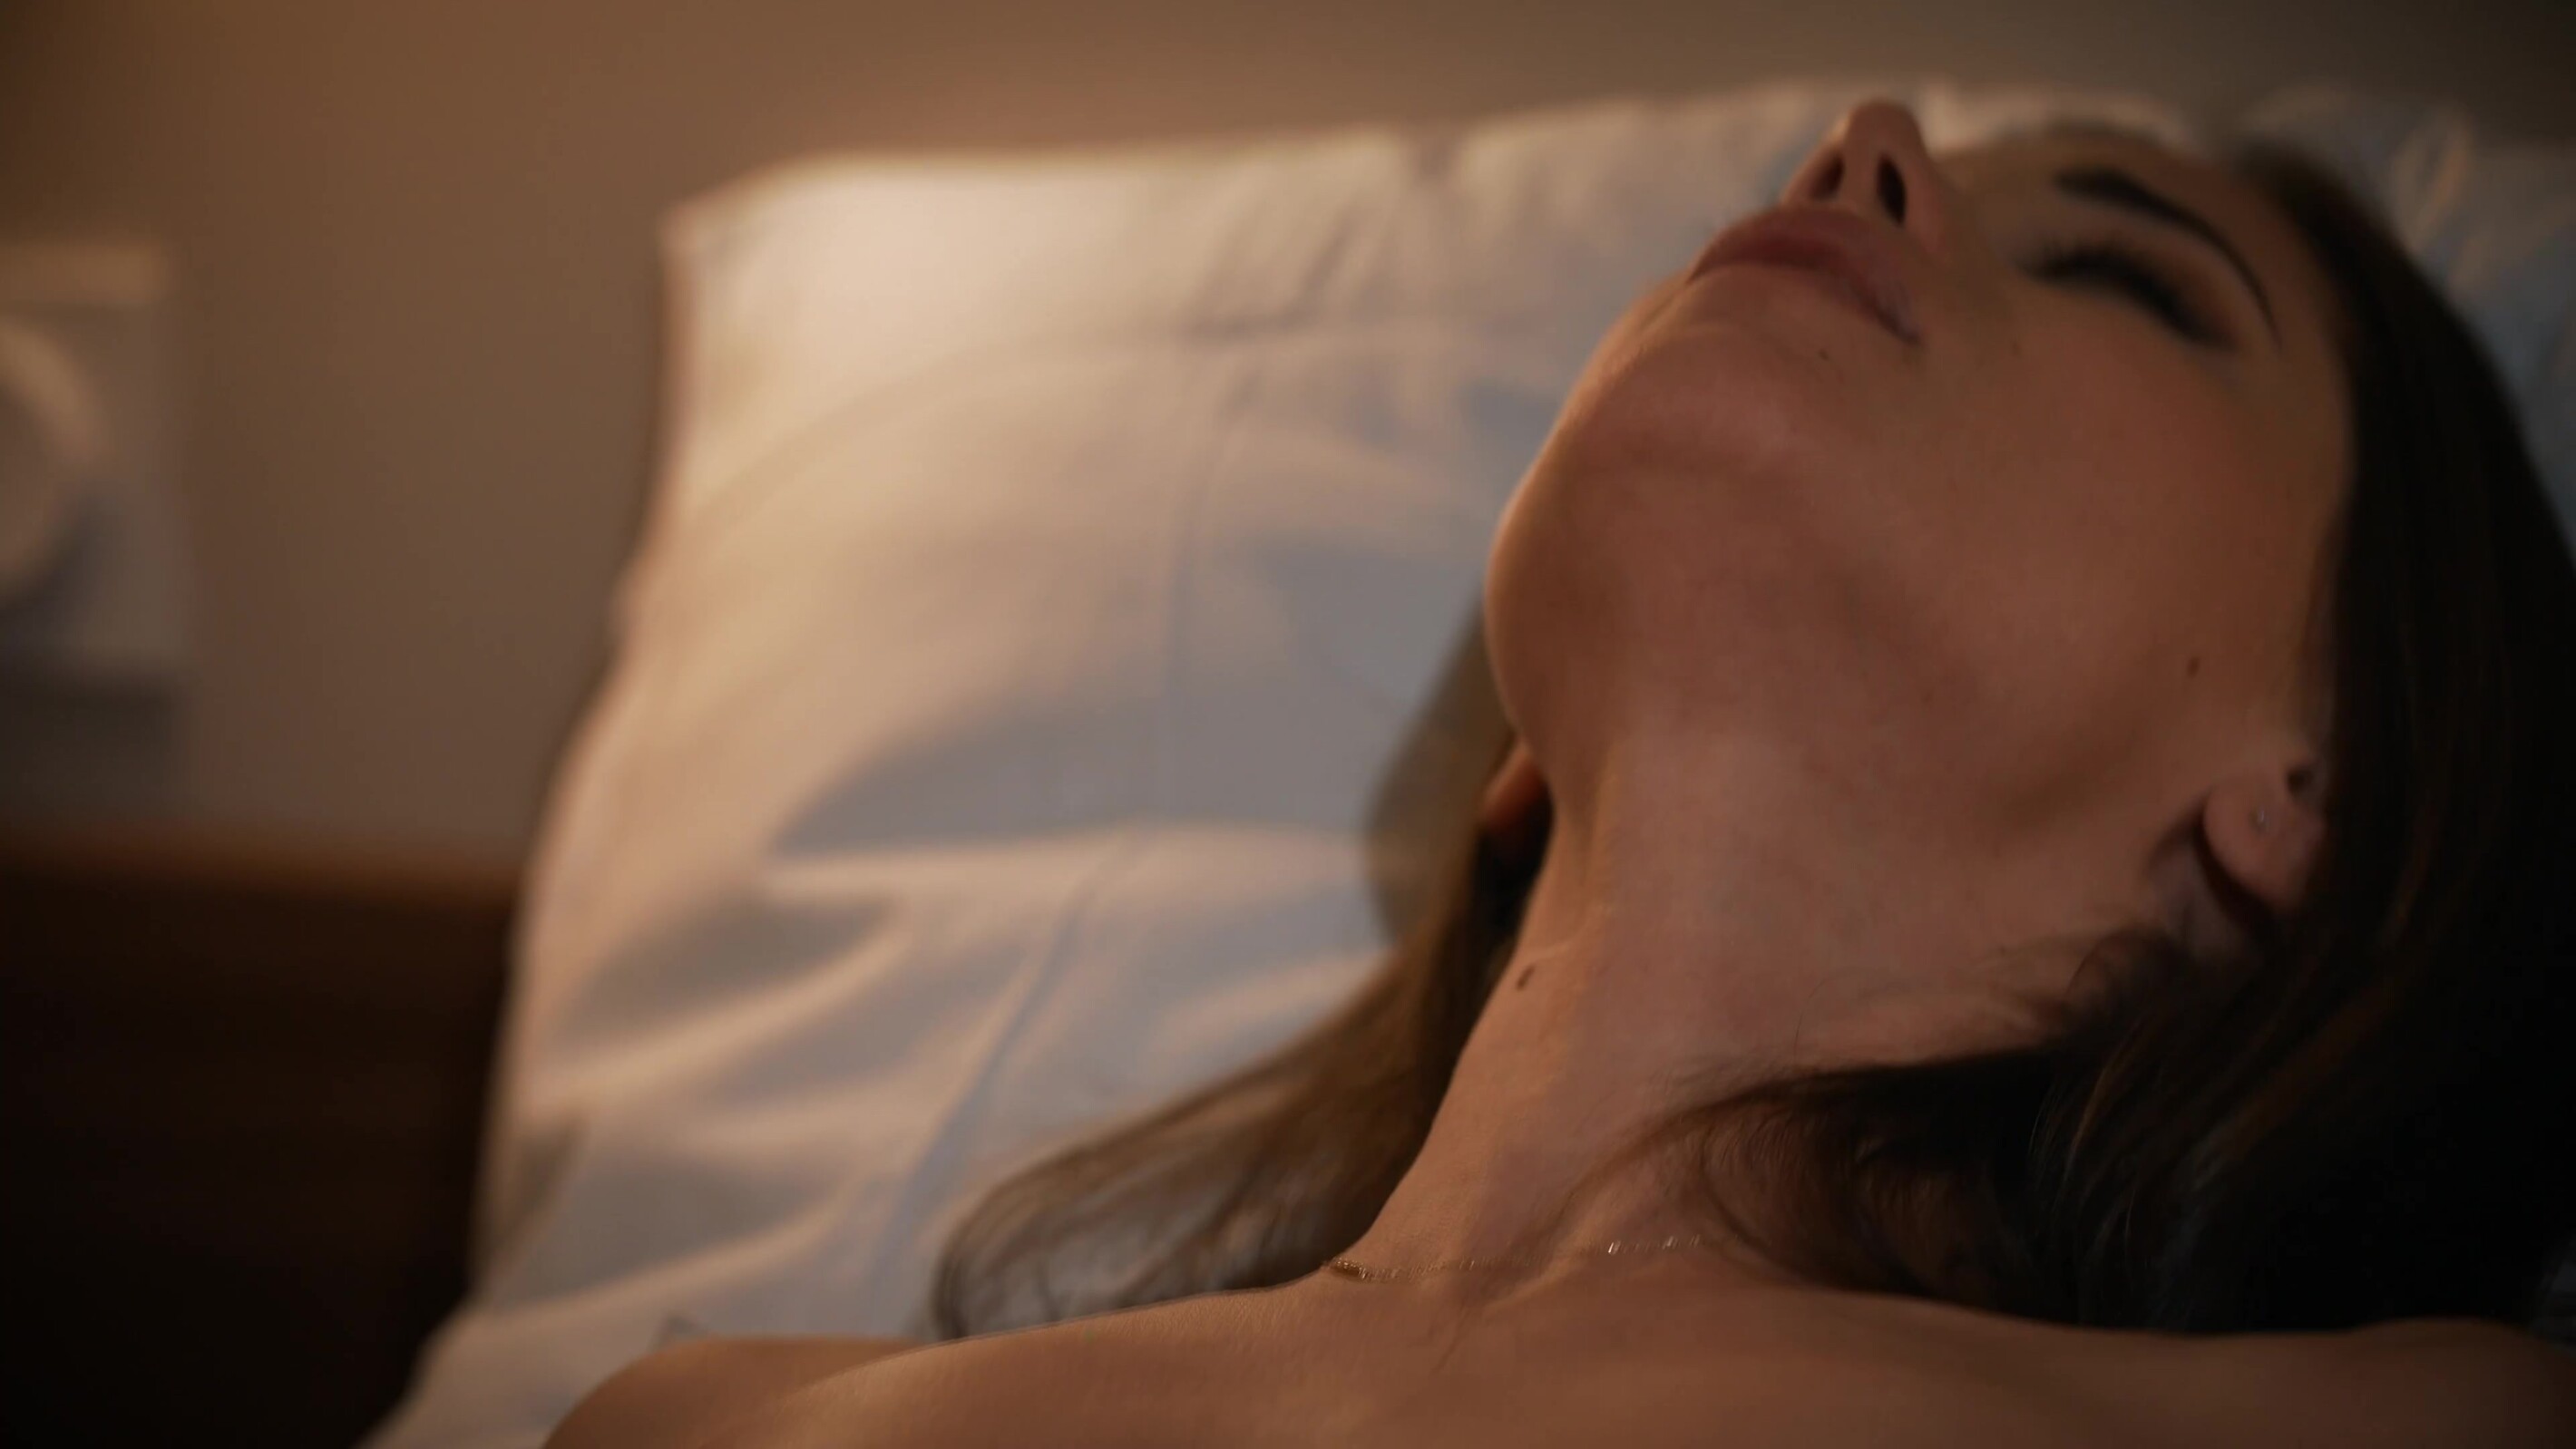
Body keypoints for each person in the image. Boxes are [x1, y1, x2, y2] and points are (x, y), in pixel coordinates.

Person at [551, 98, 2576, 1446]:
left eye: (2124, 271)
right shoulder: (703, 1424)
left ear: (2322, 799)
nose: (1862, 147)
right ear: (1515, 763)